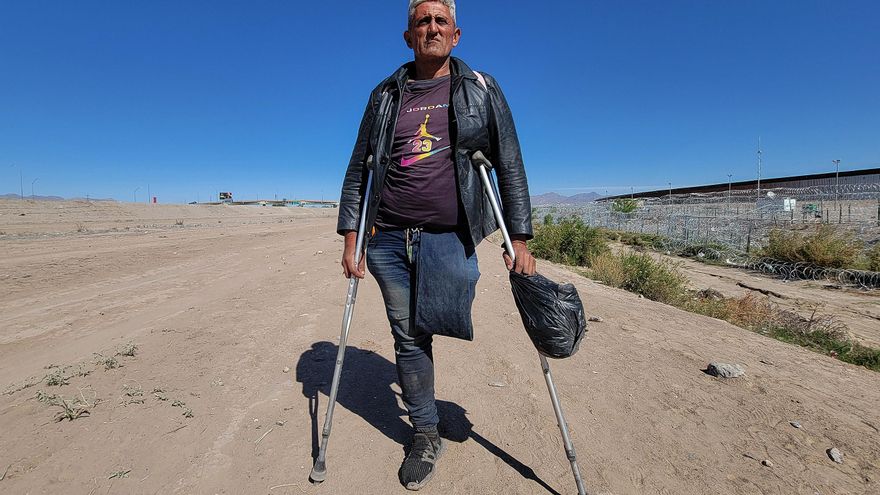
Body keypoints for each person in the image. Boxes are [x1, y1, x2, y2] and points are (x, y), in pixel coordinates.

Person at [336, 0, 536, 489]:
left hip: (451, 235)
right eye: (421, 22)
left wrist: (521, 237)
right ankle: (425, 431)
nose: (430, 28)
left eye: (439, 21)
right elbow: (359, 166)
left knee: (438, 318)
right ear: (408, 37)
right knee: (407, 334)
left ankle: (427, 398)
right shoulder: (384, 95)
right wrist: (350, 235)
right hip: (386, 236)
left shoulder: (481, 89)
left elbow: (508, 162)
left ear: (456, 33)